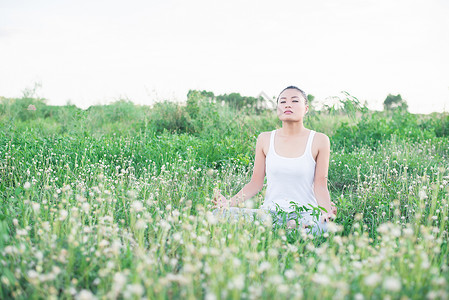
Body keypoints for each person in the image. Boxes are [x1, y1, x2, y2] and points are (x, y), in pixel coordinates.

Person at [212, 86, 337, 234]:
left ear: (306, 108)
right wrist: (228, 203)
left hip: (305, 214)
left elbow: (320, 186)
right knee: (218, 215)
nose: (288, 105)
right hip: (270, 213)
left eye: (295, 101)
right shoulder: (265, 138)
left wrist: (326, 211)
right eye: (282, 102)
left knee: (325, 227)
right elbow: (255, 183)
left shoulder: (319, 140)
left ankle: (281, 229)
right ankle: (288, 229)